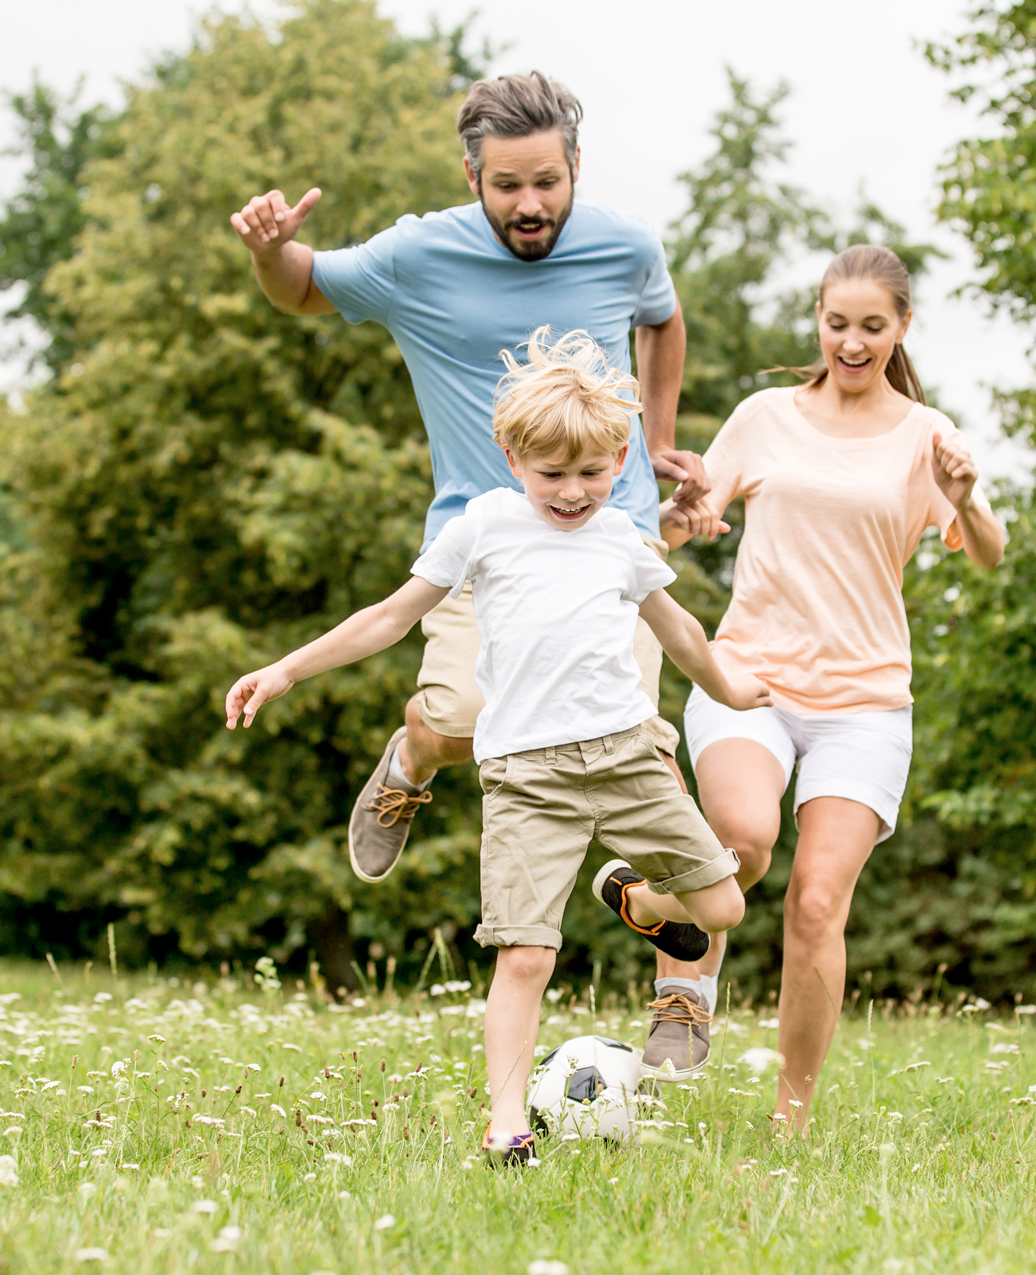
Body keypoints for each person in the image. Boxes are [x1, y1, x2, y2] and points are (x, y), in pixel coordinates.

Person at [222, 330, 769, 1163]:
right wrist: (288, 669)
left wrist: (734, 690)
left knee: (723, 906)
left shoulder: (623, 538)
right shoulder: (485, 527)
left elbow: (682, 631)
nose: (573, 492)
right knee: (524, 956)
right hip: (527, 780)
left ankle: (634, 897)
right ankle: (506, 1123)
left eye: (592, 474)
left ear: (620, 458)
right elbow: (391, 616)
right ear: (511, 456)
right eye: (552, 474)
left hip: (625, 761)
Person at [228, 72, 704, 886]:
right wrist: (271, 251)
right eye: (508, 184)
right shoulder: (418, 256)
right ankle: (413, 753)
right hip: (480, 547)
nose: (529, 204)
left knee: (644, 752)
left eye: (547, 182)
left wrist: (655, 440)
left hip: (611, 535)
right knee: (463, 722)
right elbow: (301, 288)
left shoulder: (626, 245)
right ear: (471, 176)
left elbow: (660, 316)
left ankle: (682, 999)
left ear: (577, 167)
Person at [633, 245, 1005, 1132]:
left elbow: (988, 554)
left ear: (901, 328)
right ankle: (678, 968)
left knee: (816, 901)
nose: (851, 342)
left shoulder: (926, 437)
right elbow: (677, 529)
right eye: (837, 324)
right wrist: (680, 522)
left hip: (867, 703)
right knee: (743, 842)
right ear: (819, 322)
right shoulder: (766, 417)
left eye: (872, 326)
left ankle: (790, 1116)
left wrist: (968, 496)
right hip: (749, 674)